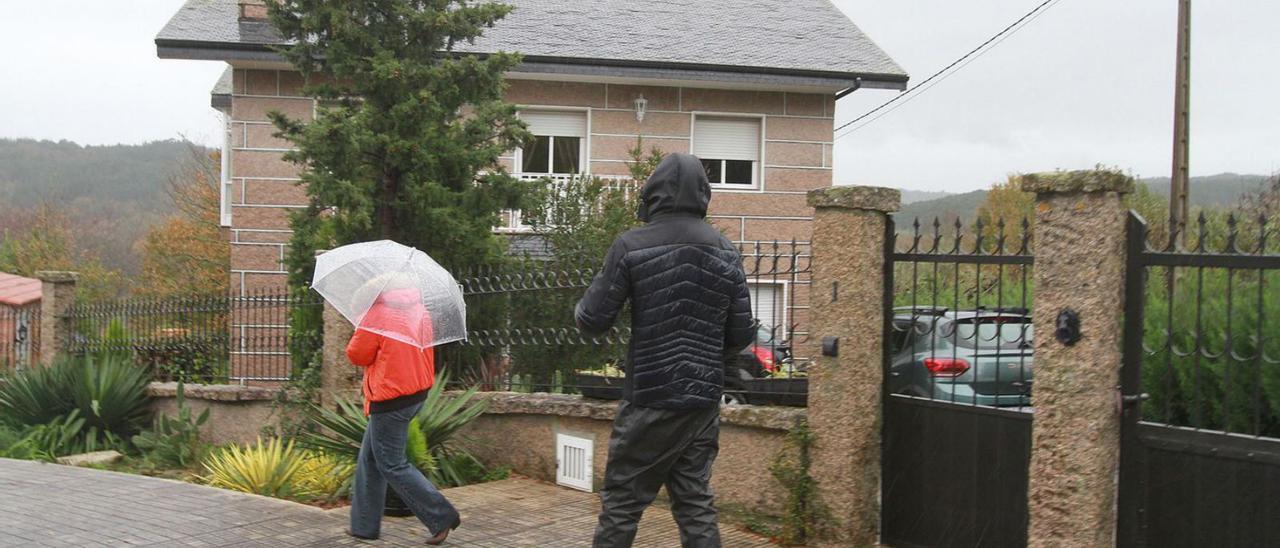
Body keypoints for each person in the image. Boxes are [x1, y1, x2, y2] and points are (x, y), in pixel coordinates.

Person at [576, 153, 755, 548]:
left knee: (622, 504)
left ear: (652, 192)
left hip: (648, 400)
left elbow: (591, 319)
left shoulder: (630, 245)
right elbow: (741, 333)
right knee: (695, 504)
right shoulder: (725, 250)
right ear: (702, 194)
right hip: (701, 402)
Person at [345, 278, 460, 545]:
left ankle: (441, 515)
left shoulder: (376, 315)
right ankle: (364, 526)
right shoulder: (419, 310)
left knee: (392, 464)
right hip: (415, 393)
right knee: (370, 460)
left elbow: (357, 355)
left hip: (390, 397)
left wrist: (361, 325)